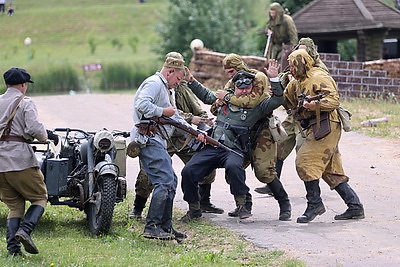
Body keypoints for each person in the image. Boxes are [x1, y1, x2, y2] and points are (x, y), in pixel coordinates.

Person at [180, 60, 287, 221]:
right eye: (240, 88)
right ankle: (194, 208)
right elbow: (207, 95)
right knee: (188, 171)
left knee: (235, 167)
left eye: (247, 88)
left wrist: (274, 79)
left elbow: (278, 100)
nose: (243, 92)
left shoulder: (255, 107)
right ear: (234, 88)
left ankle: (243, 205)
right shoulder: (224, 102)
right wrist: (191, 81)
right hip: (212, 146)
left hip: (233, 149)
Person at [129, 52, 222, 220]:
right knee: (154, 178)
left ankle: (189, 210)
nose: (179, 82)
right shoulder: (155, 84)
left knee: (192, 170)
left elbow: (179, 116)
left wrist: (197, 132)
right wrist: (164, 112)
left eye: (182, 79)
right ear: (170, 71)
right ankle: (142, 213)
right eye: (178, 79)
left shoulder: (174, 87)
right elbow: (143, 105)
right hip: (155, 137)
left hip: (178, 137)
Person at [285, 49, 365, 223]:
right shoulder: (297, 81)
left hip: (327, 125)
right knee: (330, 170)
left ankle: (314, 204)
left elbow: (334, 100)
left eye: (292, 65)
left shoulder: (319, 77)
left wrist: (314, 104)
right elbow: (286, 99)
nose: (290, 69)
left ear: (302, 63)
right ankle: (355, 207)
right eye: (289, 66)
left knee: (305, 161)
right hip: (314, 126)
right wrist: (276, 81)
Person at [214, 53, 291, 221]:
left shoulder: (258, 77)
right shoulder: (232, 82)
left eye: (232, 70)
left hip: (261, 128)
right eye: (227, 72)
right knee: (233, 168)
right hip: (239, 131)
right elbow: (218, 105)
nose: (230, 75)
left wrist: (226, 97)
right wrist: (219, 102)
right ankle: (244, 203)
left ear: (240, 66)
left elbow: (252, 102)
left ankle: (284, 203)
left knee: (264, 171)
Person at [254, 37, 330, 195]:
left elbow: (322, 93)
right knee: (279, 145)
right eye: (299, 49)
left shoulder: (318, 69)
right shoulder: (293, 66)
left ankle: (313, 193)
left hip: (310, 118)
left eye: (305, 50)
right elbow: (282, 84)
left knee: (305, 154)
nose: (301, 53)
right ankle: (273, 184)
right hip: (293, 115)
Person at [0, 67, 55, 256]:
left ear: (7, 84)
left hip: (0, 164)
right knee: (40, 197)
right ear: (23, 85)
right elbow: (35, 130)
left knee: (15, 206)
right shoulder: (25, 102)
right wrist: (46, 136)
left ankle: (13, 250)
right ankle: (25, 230)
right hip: (19, 160)